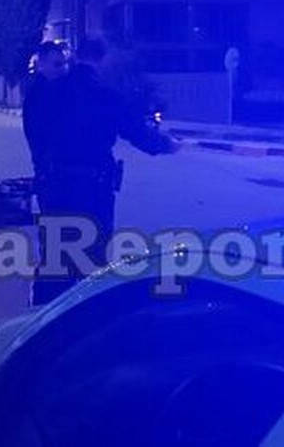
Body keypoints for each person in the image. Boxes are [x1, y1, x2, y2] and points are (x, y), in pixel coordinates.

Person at [31, 38, 180, 305]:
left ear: (77, 55)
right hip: (93, 189)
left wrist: (43, 172)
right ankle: (87, 319)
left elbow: (35, 134)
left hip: (54, 186)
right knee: (93, 259)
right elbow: (137, 132)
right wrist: (168, 145)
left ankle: (41, 320)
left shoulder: (50, 90)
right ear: (103, 59)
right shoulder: (105, 94)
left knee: (53, 259)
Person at [22, 41, 68, 177]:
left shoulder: (60, 88)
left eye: (65, 64)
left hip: (58, 166)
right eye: (57, 64)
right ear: (42, 64)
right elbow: (38, 132)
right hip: (51, 167)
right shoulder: (39, 93)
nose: (63, 69)